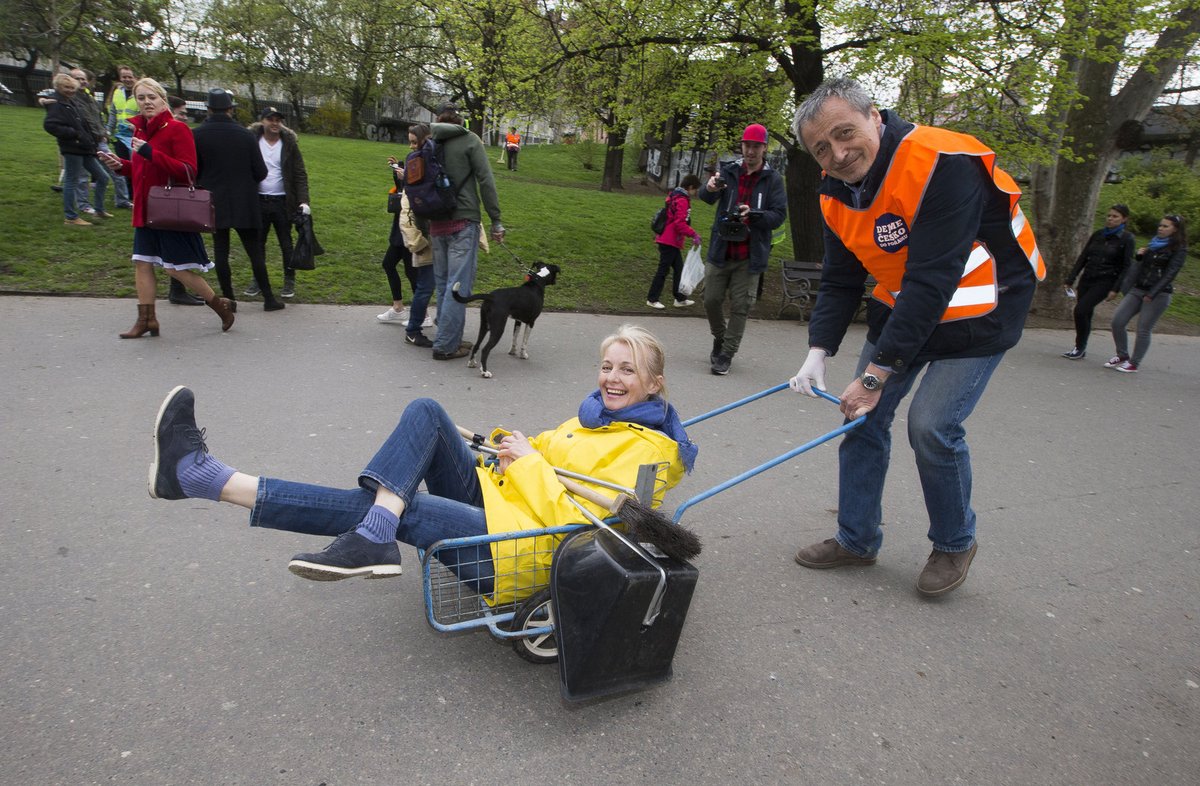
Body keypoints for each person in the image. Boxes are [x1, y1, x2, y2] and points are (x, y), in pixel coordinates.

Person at [147, 325, 696, 600]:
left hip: (525, 552)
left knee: (401, 506)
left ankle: (207, 479)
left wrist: (528, 463)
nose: (612, 379)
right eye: (607, 366)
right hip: (505, 507)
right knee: (428, 412)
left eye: (627, 371)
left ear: (654, 383)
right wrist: (507, 443)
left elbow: (585, 529)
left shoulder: (647, 450)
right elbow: (544, 451)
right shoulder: (596, 417)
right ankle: (374, 527)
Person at [788, 77, 1045, 598]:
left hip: (981, 306)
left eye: (845, 133)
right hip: (905, 303)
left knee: (931, 426)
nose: (837, 153)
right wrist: (819, 352)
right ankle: (856, 539)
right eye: (821, 148)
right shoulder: (833, 190)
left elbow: (934, 278)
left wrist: (875, 374)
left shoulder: (943, 161)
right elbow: (841, 277)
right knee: (861, 419)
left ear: (875, 117)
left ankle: (954, 543)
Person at [98, 78, 235, 338]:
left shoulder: (177, 129)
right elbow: (141, 169)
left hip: (169, 211)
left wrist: (151, 153)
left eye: (152, 97)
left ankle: (220, 305)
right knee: (142, 263)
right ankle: (147, 320)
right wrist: (121, 166)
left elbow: (188, 171)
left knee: (175, 268)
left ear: (163, 99)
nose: (146, 102)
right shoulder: (139, 131)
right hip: (145, 209)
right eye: (141, 98)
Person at [697, 123, 788, 375]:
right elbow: (705, 197)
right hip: (721, 249)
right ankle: (720, 337)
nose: (750, 151)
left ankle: (726, 354)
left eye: (756, 146)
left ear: (764, 148)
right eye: (747, 145)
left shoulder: (773, 180)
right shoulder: (728, 171)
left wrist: (754, 215)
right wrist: (710, 187)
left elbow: (779, 215)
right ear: (742, 145)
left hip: (750, 254)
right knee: (710, 299)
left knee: (741, 306)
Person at [427, 104, 506, 361]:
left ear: (438, 119)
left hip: (436, 222)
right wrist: (496, 220)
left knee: (443, 285)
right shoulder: (470, 140)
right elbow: (485, 180)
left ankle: (448, 338)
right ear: (460, 119)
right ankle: (446, 345)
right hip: (463, 221)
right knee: (457, 287)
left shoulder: (430, 141)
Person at [192, 88, 282, 311]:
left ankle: (229, 300)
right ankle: (269, 298)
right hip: (245, 200)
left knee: (221, 251)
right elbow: (260, 171)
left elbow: (195, 170)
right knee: (255, 252)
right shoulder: (245, 135)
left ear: (209, 109)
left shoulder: (197, 134)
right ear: (231, 109)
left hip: (215, 200)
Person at [377, 124, 436, 344]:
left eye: (414, 141)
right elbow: (406, 188)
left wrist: (405, 178)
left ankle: (420, 314)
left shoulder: (428, 158)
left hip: (411, 224)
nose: (411, 145)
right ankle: (399, 307)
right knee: (393, 265)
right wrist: (399, 171)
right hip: (401, 223)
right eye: (409, 141)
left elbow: (421, 190)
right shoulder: (414, 157)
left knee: (412, 272)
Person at [1106, 214, 1187, 373]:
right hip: (1138, 288)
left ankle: (1134, 363)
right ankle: (1122, 355)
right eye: (1160, 225)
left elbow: (1170, 274)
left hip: (1158, 293)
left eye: (1165, 226)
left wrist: (1153, 293)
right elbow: (1142, 266)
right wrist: (1140, 256)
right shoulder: (1154, 244)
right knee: (1117, 321)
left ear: (1175, 229)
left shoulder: (1179, 249)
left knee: (1143, 328)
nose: (1161, 229)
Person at [249, 107, 311, 299]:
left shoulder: (289, 143)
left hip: (283, 201)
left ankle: (289, 279)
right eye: (270, 119)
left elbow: (300, 173)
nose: (275, 123)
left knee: (286, 243)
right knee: (258, 243)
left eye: (278, 120)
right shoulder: (252, 141)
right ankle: (258, 279)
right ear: (262, 121)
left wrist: (303, 201)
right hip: (258, 200)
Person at [1061, 204, 1135, 359]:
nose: (1110, 219)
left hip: (1106, 280)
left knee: (1080, 310)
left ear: (1124, 219)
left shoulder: (1126, 239)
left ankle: (1079, 346)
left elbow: (1126, 266)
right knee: (1085, 313)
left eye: (1115, 217)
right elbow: (1083, 257)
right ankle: (1080, 347)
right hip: (1088, 277)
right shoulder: (1098, 235)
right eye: (1109, 216)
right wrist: (1071, 278)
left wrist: (1116, 288)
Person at [42, 74, 111, 226]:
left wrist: (88, 139)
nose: (70, 90)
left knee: (103, 177)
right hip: (72, 148)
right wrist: (75, 135)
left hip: (85, 147)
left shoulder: (71, 102)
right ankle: (71, 217)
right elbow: (50, 125)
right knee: (71, 181)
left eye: (72, 88)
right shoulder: (56, 103)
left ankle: (99, 210)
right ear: (58, 87)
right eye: (66, 88)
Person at [647, 174, 702, 309]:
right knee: (664, 270)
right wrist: (693, 234)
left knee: (679, 269)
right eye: (695, 190)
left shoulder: (675, 195)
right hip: (669, 240)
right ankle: (652, 299)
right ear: (690, 187)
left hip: (668, 238)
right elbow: (679, 223)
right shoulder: (682, 200)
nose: (695, 193)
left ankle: (680, 298)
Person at [104, 65, 137, 208]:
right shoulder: (117, 93)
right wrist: (108, 131)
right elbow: (113, 113)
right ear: (120, 77)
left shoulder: (139, 93)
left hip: (135, 136)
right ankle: (126, 195)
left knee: (135, 166)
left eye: (130, 76)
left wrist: (137, 126)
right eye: (124, 76)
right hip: (119, 136)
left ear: (134, 77)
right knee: (121, 166)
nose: (127, 79)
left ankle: (135, 194)